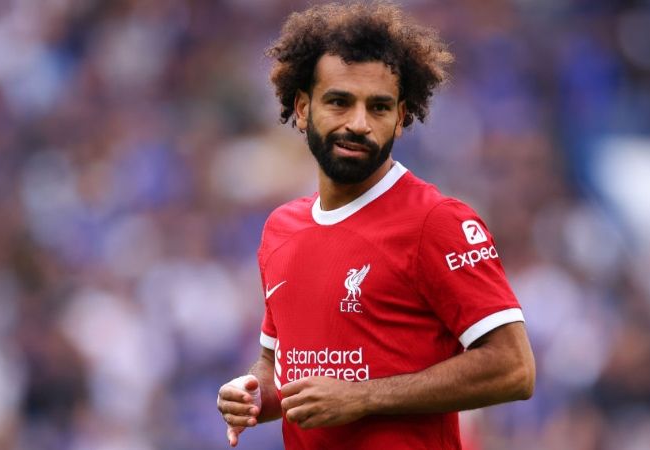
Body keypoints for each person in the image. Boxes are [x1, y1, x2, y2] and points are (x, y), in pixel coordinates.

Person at [216, 2, 535, 449]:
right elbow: (279, 370)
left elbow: (513, 369)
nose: (359, 124)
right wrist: (251, 396)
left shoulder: (437, 221)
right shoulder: (280, 230)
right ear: (303, 108)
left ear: (402, 117)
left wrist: (364, 397)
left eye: (379, 107)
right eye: (339, 102)